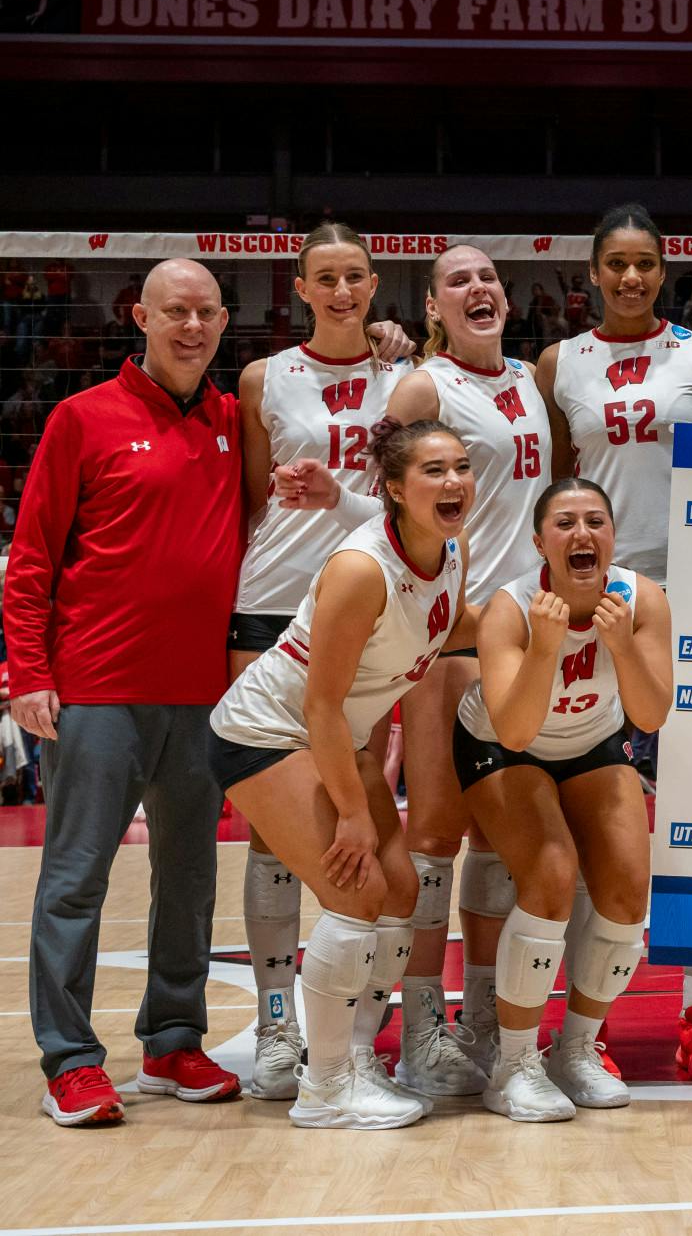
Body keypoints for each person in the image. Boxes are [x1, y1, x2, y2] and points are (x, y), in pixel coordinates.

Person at [7, 258, 244, 1126]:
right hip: (97, 688)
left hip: (203, 696)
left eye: (205, 313)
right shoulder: (81, 418)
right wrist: (28, 673)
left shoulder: (234, 420)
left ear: (224, 321)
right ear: (140, 316)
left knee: (188, 880)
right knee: (76, 878)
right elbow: (31, 558)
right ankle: (69, 1060)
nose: (190, 326)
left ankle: (173, 1040)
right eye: (174, 311)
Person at [532, 204, 692, 1079]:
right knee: (600, 811)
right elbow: (557, 486)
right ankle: (582, 1031)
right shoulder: (560, 363)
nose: (631, 277)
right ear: (592, 273)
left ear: (666, 273)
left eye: (646, 264)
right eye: (616, 264)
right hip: (598, 597)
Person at [211, 418, 478, 1129]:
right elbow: (322, 705)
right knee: (358, 890)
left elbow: (448, 628)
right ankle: (324, 1088)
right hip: (265, 732)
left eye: (460, 466)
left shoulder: (452, 551)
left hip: (330, 737)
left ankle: (353, 1054)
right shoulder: (362, 569)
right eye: (432, 470)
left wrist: (545, 624)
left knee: (398, 889)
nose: (453, 482)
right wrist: (356, 810)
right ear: (392, 488)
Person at [230, 223, 411, 1099]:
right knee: (273, 823)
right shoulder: (265, 377)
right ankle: (275, 1029)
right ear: (300, 289)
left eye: (354, 278)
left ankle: (352, 1032)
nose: (341, 292)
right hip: (272, 604)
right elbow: (252, 503)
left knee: (361, 797)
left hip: (368, 609)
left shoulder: (403, 375)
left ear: (375, 285)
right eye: (324, 279)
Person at [381, 244, 554, 1096]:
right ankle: (420, 1027)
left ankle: (483, 1018)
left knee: (497, 838)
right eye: (458, 281)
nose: (478, 287)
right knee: (434, 834)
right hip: (449, 637)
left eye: (488, 277)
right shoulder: (422, 387)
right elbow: (380, 500)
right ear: (433, 307)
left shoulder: (530, 376)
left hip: (519, 638)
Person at [455, 479, 671, 1118]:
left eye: (596, 522)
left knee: (630, 892)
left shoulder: (642, 598)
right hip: (502, 744)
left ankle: (573, 1049)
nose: (583, 534)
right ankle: (512, 1064)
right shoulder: (511, 608)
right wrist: (548, 648)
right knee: (550, 874)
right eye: (566, 524)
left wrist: (623, 644)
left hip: (592, 740)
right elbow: (516, 729)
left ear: (611, 535)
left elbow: (651, 715)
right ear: (541, 542)